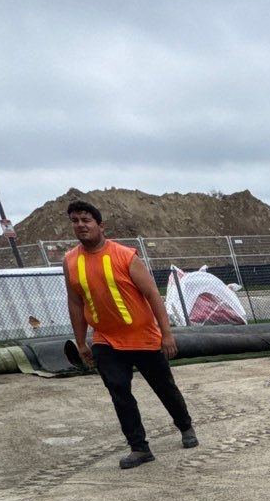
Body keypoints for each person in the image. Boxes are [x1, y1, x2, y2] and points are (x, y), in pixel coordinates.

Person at [63, 199, 197, 469]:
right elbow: (75, 303)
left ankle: (185, 427)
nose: (81, 226)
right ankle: (139, 447)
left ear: (101, 226)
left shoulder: (125, 256)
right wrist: (80, 342)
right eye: (75, 221)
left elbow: (153, 296)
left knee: (164, 387)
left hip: (143, 337)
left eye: (86, 220)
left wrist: (166, 334)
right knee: (119, 392)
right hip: (106, 340)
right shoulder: (70, 261)